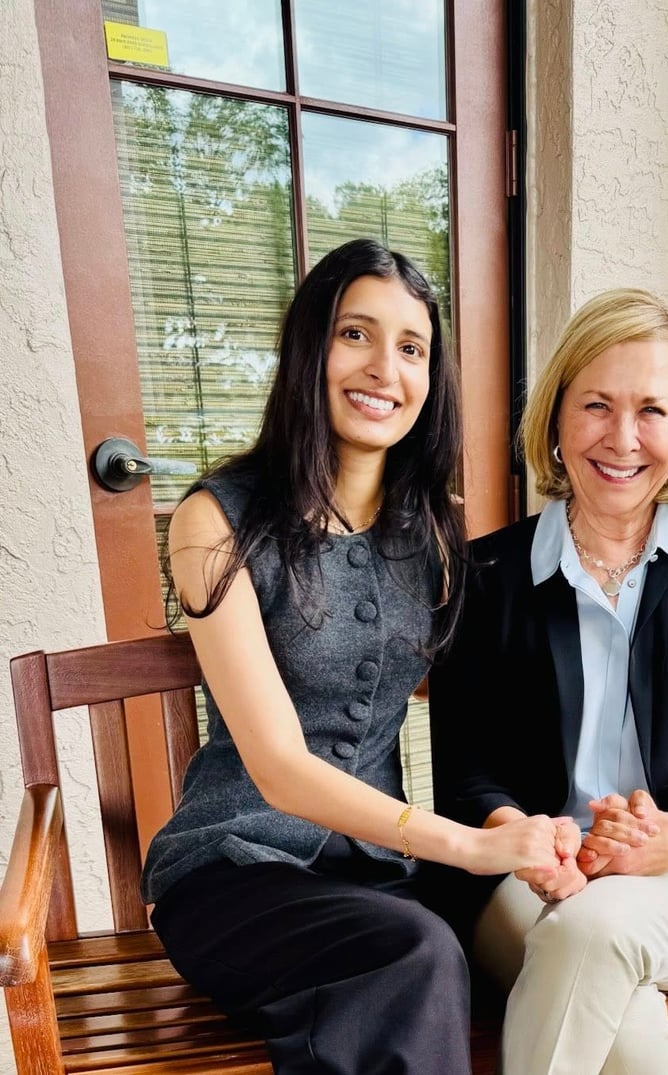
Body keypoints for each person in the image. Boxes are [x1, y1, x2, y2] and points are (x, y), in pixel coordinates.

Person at [140, 238, 560, 1075]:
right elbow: (279, 768)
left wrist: (528, 828)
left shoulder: (436, 535)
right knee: (416, 954)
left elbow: (486, 713)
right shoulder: (217, 521)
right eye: (355, 334)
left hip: (375, 869)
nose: (384, 368)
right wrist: (466, 846)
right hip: (234, 870)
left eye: (411, 348)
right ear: (309, 349)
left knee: (554, 940)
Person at [429, 288, 668, 1074]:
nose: (623, 438)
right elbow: (466, 767)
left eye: (651, 409)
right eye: (596, 405)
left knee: (595, 935)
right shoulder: (486, 573)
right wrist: (534, 840)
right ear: (555, 418)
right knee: (626, 1024)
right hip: (524, 874)